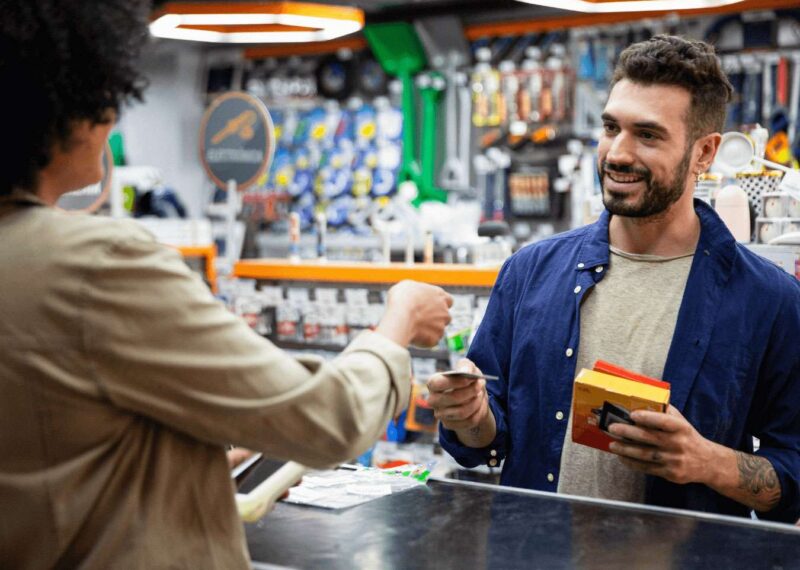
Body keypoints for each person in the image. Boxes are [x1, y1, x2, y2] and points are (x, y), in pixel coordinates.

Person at [0, 2, 453, 569]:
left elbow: (60, 460)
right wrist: (398, 325)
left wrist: (197, 460)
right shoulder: (99, 264)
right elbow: (327, 418)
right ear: (70, 105)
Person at [429, 35, 800, 523]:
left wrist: (707, 462)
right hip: (536, 553)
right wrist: (471, 417)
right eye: (611, 127)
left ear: (705, 153)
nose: (617, 153)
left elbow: (793, 475)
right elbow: (486, 440)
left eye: (648, 135)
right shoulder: (530, 272)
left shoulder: (768, 301)